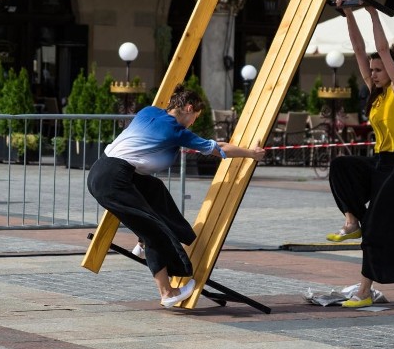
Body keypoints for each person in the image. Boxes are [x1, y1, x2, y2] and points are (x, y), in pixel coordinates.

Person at [87, 84, 265, 308]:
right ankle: (167, 292)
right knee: (154, 230)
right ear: (189, 108)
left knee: (155, 189)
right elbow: (220, 149)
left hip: (101, 171)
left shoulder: (149, 112)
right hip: (115, 179)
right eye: (195, 117)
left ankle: (143, 242)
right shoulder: (176, 131)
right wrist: (251, 153)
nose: (194, 123)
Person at [324, 0, 394, 309]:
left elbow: (379, 49)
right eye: (373, 70)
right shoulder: (376, 94)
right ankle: (352, 220)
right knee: (340, 166)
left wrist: (373, 14)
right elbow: (359, 48)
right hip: (380, 162)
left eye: (380, 69)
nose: (374, 72)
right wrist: (349, 15)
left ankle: (364, 291)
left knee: (378, 225)